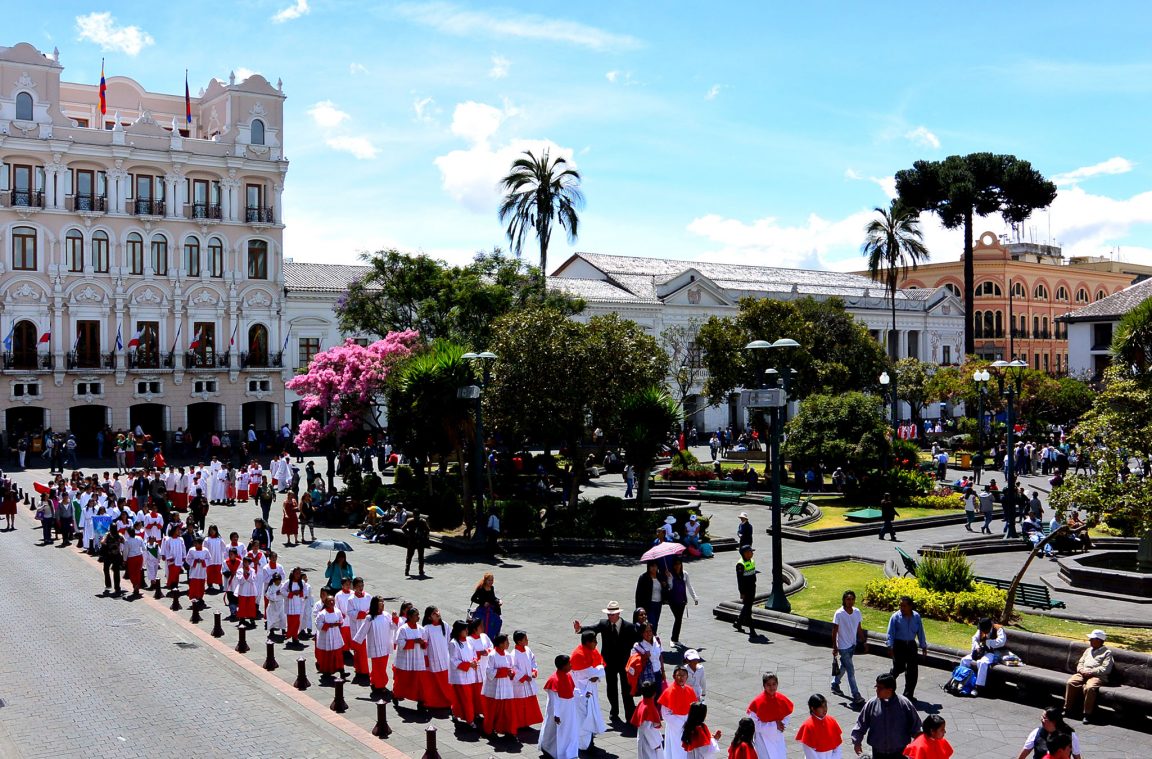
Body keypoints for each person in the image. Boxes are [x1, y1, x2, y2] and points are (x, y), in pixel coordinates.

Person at [573, 600, 641, 721]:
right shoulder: (603, 624)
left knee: (626, 688)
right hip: (609, 662)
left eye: (612, 614)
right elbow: (592, 628)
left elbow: (638, 640)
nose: (610, 616)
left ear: (618, 614)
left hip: (625, 662)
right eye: (609, 614)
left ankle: (629, 714)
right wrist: (580, 629)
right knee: (611, 687)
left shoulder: (629, 627)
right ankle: (614, 710)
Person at [850, 673, 921, 759]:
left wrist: (919, 744)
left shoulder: (904, 704)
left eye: (880, 688)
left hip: (900, 752)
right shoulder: (872, 704)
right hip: (878, 752)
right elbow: (861, 723)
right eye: (876, 687)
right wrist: (857, 742)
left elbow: (916, 726)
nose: (877, 690)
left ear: (889, 690)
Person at [1063, 629, 1114, 723]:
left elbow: (1106, 669)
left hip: (1097, 676)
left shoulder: (1107, 653)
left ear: (1099, 640)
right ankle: (1068, 709)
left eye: (1092, 639)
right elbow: (1081, 662)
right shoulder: (1088, 650)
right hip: (1082, 673)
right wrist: (1081, 670)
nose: (1089, 641)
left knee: (1090, 688)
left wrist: (1092, 672)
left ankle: (1087, 714)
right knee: (1071, 682)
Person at [570, 630, 608, 749]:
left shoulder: (592, 650)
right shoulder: (578, 655)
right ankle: (584, 744)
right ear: (587, 642)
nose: (596, 643)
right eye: (594, 641)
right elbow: (592, 672)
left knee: (591, 713)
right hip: (581, 691)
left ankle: (589, 739)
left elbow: (601, 666)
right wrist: (596, 673)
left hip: (591, 689)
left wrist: (596, 674)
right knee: (583, 716)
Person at [886, 595, 927, 700]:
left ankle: (908, 694)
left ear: (910, 606)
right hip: (899, 645)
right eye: (900, 606)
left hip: (911, 645)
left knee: (912, 671)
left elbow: (920, 632)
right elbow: (890, 633)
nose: (901, 608)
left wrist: (923, 646)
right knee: (899, 668)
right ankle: (888, 687)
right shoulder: (895, 617)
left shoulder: (916, 617)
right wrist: (890, 647)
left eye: (904, 606)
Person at [542, 654, 581, 759]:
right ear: (563, 666)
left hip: (569, 709)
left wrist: (583, 693)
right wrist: (556, 714)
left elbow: (573, 689)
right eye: (569, 664)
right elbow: (554, 700)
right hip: (559, 711)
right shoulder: (554, 680)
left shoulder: (568, 675)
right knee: (556, 731)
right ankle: (550, 749)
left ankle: (569, 751)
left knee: (569, 731)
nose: (571, 665)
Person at [831, 590, 867, 705]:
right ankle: (856, 695)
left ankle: (834, 684)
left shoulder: (857, 612)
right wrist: (835, 647)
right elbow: (834, 631)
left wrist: (863, 641)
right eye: (848, 599)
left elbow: (859, 628)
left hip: (852, 645)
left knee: (844, 667)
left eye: (852, 599)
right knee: (851, 671)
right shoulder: (839, 613)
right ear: (844, 600)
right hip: (843, 647)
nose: (850, 601)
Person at [746, 672, 792, 759]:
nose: (772, 687)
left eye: (774, 684)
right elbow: (754, 724)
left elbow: (787, 715)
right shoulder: (757, 702)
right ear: (764, 686)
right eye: (769, 685)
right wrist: (774, 725)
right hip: (763, 739)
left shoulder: (782, 699)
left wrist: (782, 724)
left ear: (777, 684)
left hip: (778, 737)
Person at [958, 617, 1007, 697]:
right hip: (981, 651)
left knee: (982, 662)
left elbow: (1001, 642)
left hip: (993, 652)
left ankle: (978, 687)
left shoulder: (998, 629)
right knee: (964, 660)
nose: (982, 631)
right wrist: (977, 647)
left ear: (989, 627)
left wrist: (988, 642)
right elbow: (974, 638)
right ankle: (962, 682)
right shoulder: (981, 628)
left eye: (984, 630)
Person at [448, 620, 483, 727]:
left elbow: (473, 654)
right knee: (466, 698)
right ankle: (470, 720)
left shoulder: (469, 641)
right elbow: (454, 660)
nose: (467, 631)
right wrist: (468, 665)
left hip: (471, 674)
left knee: (466, 698)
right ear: (459, 631)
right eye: (465, 629)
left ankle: (456, 711)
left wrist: (474, 661)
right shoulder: (453, 643)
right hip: (460, 677)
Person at [659, 665, 699, 759]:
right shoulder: (669, 691)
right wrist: (681, 724)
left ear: (687, 677)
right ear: (674, 676)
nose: (681, 677)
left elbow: (693, 708)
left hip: (688, 723)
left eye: (684, 675)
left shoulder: (689, 690)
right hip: (675, 725)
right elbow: (665, 713)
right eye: (679, 675)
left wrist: (691, 722)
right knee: (676, 749)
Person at [393, 606, 429, 707]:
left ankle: (421, 701)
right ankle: (396, 695)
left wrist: (423, 643)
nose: (418, 617)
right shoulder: (403, 629)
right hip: (406, 660)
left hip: (418, 660)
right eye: (416, 615)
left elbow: (425, 643)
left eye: (418, 615)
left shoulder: (421, 629)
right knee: (403, 680)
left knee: (419, 682)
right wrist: (414, 641)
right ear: (409, 617)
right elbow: (400, 644)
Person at [1016, 708, 1082, 759]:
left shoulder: (1070, 735)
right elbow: (1022, 756)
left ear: (1054, 721)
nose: (1041, 719)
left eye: (1044, 718)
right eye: (1041, 716)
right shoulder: (1037, 732)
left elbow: (1077, 757)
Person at [512, 630, 544, 730]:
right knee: (520, 703)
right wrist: (524, 677)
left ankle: (528, 722)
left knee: (529, 702)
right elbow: (513, 668)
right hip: (520, 684)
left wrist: (534, 671)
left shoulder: (528, 650)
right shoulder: (514, 654)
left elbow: (533, 661)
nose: (527, 640)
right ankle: (520, 722)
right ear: (519, 641)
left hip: (529, 681)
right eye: (525, 638)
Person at [795, 693, 843, 759]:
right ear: (812, 708)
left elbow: (838, 745)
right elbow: (809, 751)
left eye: (825, 706)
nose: (825, 709)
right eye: (821, 707)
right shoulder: (808, 726)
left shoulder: (832, 721)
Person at [665, 558, 699, 646]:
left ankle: (675, 639)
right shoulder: (670, 574)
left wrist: (695, 597)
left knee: (679, 619)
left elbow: (689, 586)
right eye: (675, 564)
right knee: (678, 618)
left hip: (682, 600)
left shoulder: (685, 574)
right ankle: (673, 639)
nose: (677, 566)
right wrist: (669, 578)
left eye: (679, 564)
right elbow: (670, 587)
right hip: (673, 600)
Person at [314, 594, 347, 680]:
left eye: (333, 601)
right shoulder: (322, 614)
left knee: (338, 654)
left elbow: (341, 620)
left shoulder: (337, 611)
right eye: (330, 601)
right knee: (327, 655)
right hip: (326, 636)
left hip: (335, 635)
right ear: (326, 603)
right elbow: (318, 625)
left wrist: (339, 623)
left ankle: (341, 671)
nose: (332, 602)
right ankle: (326, 671)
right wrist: (330, 625)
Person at [632, 679, 663, 759]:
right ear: (654, 694)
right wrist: (655, 743)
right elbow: (646, 729)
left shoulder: (642, 703)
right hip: (649, 742)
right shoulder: (649, 707)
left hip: (643, 738)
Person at [636, 562, 668, 633]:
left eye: (655, 566)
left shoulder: (660, 577)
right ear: (648, 567)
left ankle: (653, 637)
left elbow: (666, 590)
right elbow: (638, 594)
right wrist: (639, 607)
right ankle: (652, 637)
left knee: (656, 622)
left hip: (658, 604)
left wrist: (665, 585)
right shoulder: (644, 577)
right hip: (649, 604)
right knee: (652, 623)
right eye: (652, 566)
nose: (654, 568)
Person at [734, 545, 758, 638]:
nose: (752, 553)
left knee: (748, 606)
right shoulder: (740, 564)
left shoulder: (752, 561)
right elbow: (740, 580)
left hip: (752, 587)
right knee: (748, 610)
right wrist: (742, 592)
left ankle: (738, 623)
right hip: (746, 589)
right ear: (745, 553)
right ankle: (752, 630)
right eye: (750, 551)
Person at [471, 572, 503, 640]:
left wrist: (499, 600)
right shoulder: (481, 588)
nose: (491, 582)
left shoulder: (492, 588)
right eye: (489, 580)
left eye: (492, 580)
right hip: (482, 610)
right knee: (484, 626)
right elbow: (473, 598)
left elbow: (493, 597)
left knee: (496, 623)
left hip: (491, 610)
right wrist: (483, 603)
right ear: (485, 580)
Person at [403, 508, 430, 577]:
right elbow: (428, 530)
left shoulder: (409, 521)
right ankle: (421, 571)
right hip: (420, 541)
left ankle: (407, 570)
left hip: (412, 540)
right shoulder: (423, 521)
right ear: (419, 514)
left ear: (413, 514)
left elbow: (403, 528)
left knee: (409, 556)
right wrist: (424, 536)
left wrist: (409, 534)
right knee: (421, 557)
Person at [99, 528, 124, 595]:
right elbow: (124, 541)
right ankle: (117, 587)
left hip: (108, 555)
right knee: (116, 572)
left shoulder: (108, 534)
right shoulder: (119, 535)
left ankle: (108, 584)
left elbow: (102, 542)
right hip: (116, 555)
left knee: (106, 569)